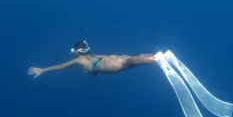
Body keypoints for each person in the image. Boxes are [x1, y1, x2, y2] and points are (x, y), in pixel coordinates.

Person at [27, 40, 156, 77]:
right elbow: (94, 64)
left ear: (76, 52)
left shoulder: (78, 60)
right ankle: (154, 56)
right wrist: (93, 71)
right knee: (132, 60)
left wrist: (43, 70)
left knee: (132, 62)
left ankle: (155, 59)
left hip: (112, 67)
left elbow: (60, 67)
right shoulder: (90, 52)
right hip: (114, 58)